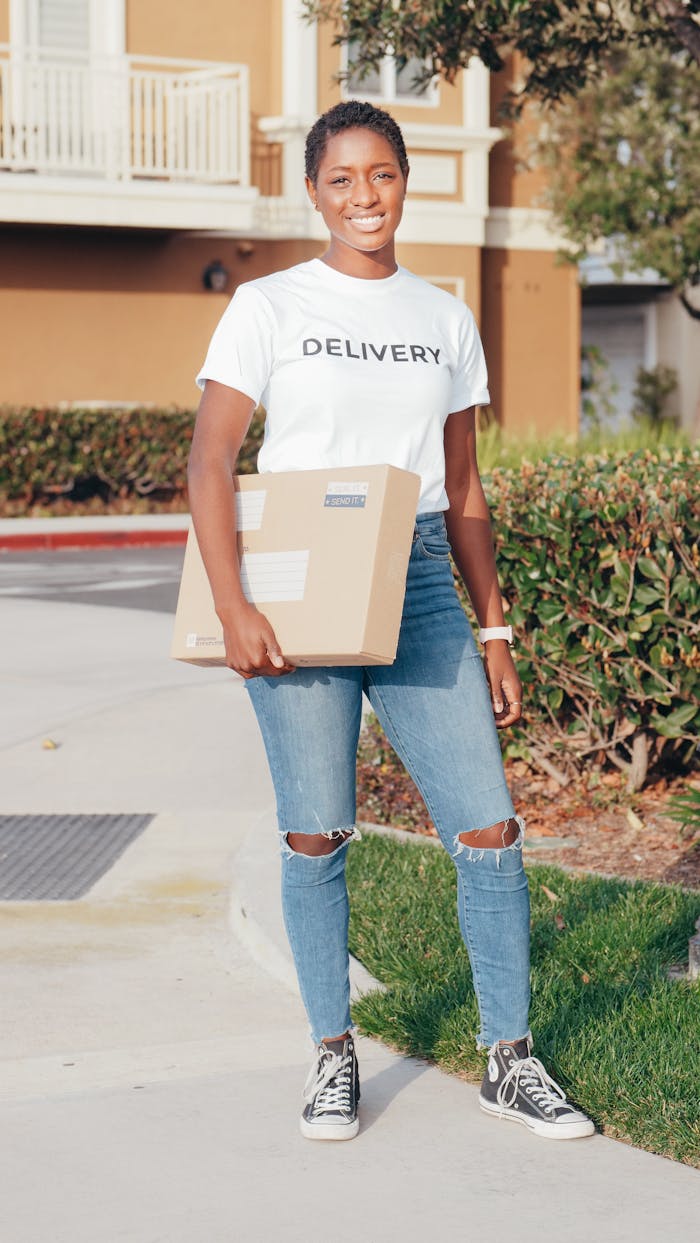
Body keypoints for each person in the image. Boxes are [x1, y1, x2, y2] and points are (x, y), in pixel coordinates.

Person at [187, 99, 594, 1144]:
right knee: (316, 830)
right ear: (312, 190)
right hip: (294, 584)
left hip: (415, 580)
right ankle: (332, 1055)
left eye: (380, 175)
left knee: (488, 825)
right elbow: (210, 458)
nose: (363, 197)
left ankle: (509, 1057)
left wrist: (493, 629)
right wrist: (233, 604)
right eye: (340, 179)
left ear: (403, 182)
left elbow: (462, 488)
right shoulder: (268, 305)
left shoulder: (444, 318)